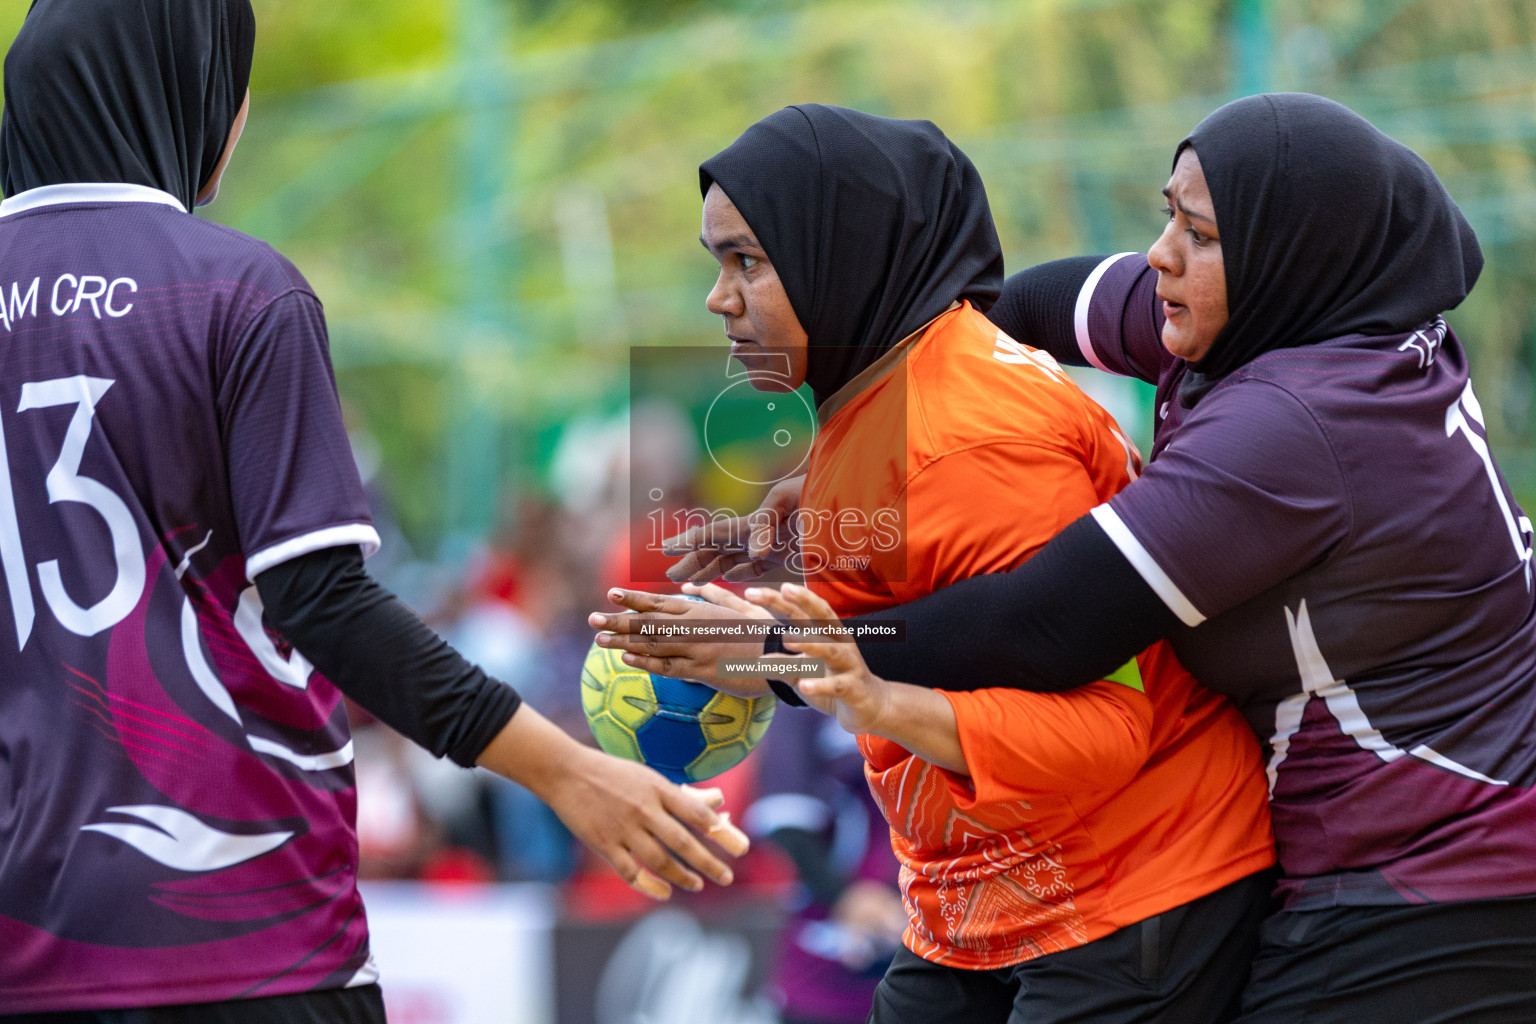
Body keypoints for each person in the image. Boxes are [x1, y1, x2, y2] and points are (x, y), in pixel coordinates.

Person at [625, 93, 1536, 1023]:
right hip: (1303, 861)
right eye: (1168, 215)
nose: (1160, 255)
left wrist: (781, 655)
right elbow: (985, 310)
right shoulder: (1260, 307)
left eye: (1201, 233)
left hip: (1447, 874)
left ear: (1287, 252)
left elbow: (1045, 626)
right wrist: (853, 452)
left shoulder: (1295, 427)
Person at [0, 2, 744, 1020]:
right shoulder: (236, 293)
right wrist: (568, 770)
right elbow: (324, 601)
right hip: (247, 931)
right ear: (188, 92)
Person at [594, 103, 1276, 1023]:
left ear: (841, 254)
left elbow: (1103, 732)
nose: (718, 298)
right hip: (982, 902)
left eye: (746, 261)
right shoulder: (884, 388)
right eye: (716, 263)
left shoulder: (965, 436)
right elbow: (940, 599)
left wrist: (816, 673)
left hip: (1124, 894)